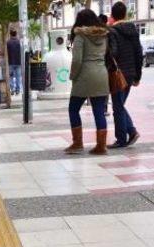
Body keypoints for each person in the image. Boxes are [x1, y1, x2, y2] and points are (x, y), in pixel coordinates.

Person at [64, 9, 110, 155]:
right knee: (99, 111)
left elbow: (77, 60)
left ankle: (78, 143)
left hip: (84, 76)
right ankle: (101, 146)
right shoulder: (104, 35)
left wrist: (73, 75)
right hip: (101, 75)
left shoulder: (80, 35)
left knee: (73, 109)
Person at [108, 1, 143, 148]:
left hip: (118, 74)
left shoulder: (112, 32)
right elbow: (138, 53)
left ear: (112, 15)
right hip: (130, 74)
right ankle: (130, 132)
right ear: (125, 14)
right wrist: (137, 76)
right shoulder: (133, 30)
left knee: (118, 107)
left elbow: (113, 53)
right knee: (120, 105)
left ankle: (123, 138)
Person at [6, 29, 22, 96]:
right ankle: (17, 90)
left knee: (11, 77)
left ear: (10, 34)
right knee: (18, 77)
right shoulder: (19, 42)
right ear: (16, 34)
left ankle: (12, 90)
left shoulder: (8, 42)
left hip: (10, 62)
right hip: (18, 62)